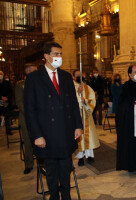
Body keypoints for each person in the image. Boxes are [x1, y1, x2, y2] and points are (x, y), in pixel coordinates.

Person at [24, 42, 83, 200]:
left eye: (60, 54)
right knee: (51, 172)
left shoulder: (64, 76)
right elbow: (30, 110)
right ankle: (54, 197)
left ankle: (66, 195)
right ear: (46, 56)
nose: (59, 57)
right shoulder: (34, 78)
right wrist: (37, 135)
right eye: (56, 54)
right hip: (46, 134)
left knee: (65, 169)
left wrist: (78, 125)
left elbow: (73, 104)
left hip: (65, 131)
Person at [73, 69, 100, 166]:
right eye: (77, 75)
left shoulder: (87, 88)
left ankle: (89, 155)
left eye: (81, 75)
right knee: (80, 137)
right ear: (73, 77)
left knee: (89, 135)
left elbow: (93, 100)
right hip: (76, 115)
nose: (80, 77)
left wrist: (85, 101)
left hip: (86, 114)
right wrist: (78, 92)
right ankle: (81, 156)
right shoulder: (70, 87)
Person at [15, 64, 37, 174]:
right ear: (28, 72)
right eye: (34, 71)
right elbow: (19, 102)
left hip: (39, 118)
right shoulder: (20, 85)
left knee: (41, 141)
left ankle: (42, 162)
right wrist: (30, 114)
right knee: (28, 142)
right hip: (26, 118)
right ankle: (29, 164)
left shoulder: (40, 84)